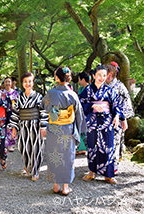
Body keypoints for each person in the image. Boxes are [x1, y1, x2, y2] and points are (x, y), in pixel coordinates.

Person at [40, 67, 86, 195]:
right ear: (68, 78)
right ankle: (65, 187)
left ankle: (56, 186)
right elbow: (79, 115)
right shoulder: (73, 94)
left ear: (57, 77)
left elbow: (43, 107)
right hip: (68, 130)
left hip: (54, 129)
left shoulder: (50, 93)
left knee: (54, 156)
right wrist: (78, 129)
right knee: (67, 157)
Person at [79, 64, 125, 184]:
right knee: (92, 146)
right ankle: (91, 172)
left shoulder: (110, 90)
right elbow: (80, 104)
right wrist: (92, 105)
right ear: (93, 76)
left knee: (108, 147)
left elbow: (117, 105)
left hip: (107, 122)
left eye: (104, 75)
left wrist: (116, 116)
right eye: (99, 75)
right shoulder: (87, 90)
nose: (102, 77)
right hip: (93, 121)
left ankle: (108, 175)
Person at [9, 72, 46, 181]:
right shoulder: (20, 98)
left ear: (33, 82)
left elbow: (43, 112)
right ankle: (28, 165)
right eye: (25, 81)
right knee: (23, 147)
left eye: (30, 81)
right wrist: (14, 128)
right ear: (22, 83)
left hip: (35, 126)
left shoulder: (39, 97)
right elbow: (15, 113)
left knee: (36, 148)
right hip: (23, 126)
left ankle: (36, 171)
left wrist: (43, 127)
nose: (27, 83)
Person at [105, 63, 134, 175]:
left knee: (115, 143)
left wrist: (124, 118)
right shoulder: (102, 86)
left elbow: (126, 105)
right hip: (103, 120)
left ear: (111, 74)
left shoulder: (120, 86)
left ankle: (113, 168)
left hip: (116, 120)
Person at [3, 77, 19, 152]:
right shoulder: (2, 93)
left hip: (13, 112)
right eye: (6, 82)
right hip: (4, 112)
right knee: (5, 128)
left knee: (12, 127)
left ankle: (12, 145)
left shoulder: (15, 92)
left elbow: (18, 103)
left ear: (11, 83)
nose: (7, 83)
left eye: (9, 82)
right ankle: (5, 145)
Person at [76, 72, 90, 155]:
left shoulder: (90, 89)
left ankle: (86, 148)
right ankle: (82, 147)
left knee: (86, 131)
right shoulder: (81, 89)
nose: (79, 81)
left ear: (83, 79)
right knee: (81, 130)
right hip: (80, 112)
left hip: (87, 113)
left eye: (79, 79)